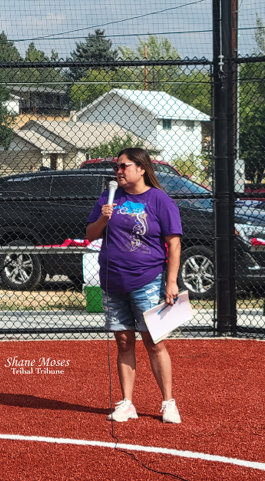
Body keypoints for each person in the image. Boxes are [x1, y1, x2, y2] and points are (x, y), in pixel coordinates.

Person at [85, 147, 183, 424]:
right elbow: (91, 234)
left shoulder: (159, 199)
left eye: (124, 166)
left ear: (141, 169)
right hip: (112, 280)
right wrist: (103, 217)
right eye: (117, 167)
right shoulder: (108, 197)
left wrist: (171, 282)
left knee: (154, 342)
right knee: (124, 341)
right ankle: (127, 403)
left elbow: (174, 244)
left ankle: (168, 402)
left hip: (148, 280)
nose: (118, 171)